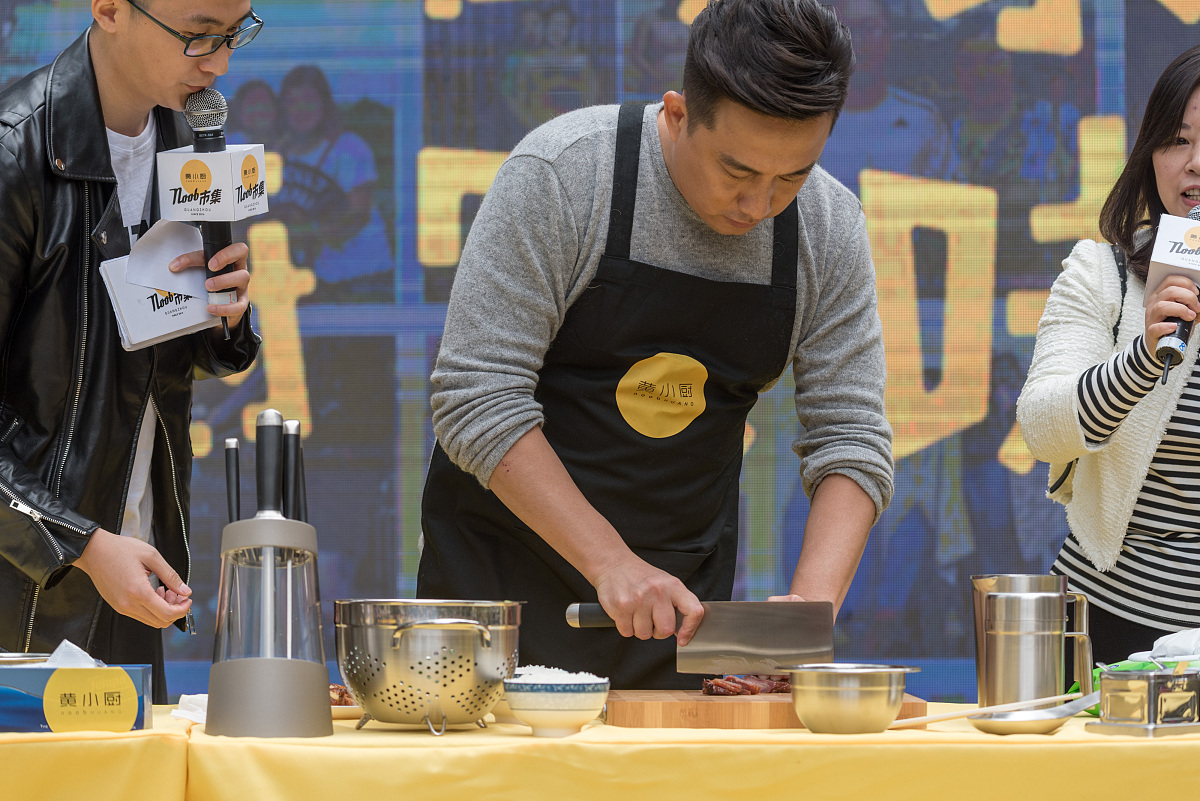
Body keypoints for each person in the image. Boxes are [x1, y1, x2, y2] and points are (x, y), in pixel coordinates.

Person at [419, 0, 894, 689]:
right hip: (497, 596)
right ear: (677, 114)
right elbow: (475, 398)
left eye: (790, 176)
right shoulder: (564, 175)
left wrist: (804, 620)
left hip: (678, 612)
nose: (759, 205)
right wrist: (611, 563)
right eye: (738, 172)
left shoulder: (827, 226)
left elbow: (851, 435)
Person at [0, 0, 261, 702]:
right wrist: (84, 544)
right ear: (110, 8)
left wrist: (226, 313)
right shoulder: (15, 150)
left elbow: (183, 357)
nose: (220, 63)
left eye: (236, 33)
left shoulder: (193, 146)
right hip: (27, 586)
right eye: (199, 36)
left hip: (134, 566)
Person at [1017, 45, 1200, 665]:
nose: (1194, 165)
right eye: (1177, 140)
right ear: (1150, 155)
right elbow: (1042, 427)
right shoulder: (1100, 275)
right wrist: (1144, 357)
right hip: (1108, 624)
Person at [274, 64, 391, 302]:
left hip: (361, 281)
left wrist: (309, 232)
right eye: (291, 102)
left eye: (308, 100)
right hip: (314, 283)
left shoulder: (349, 148)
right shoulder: (281, 153)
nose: (300, 109)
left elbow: (358, 215)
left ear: (325, 104)